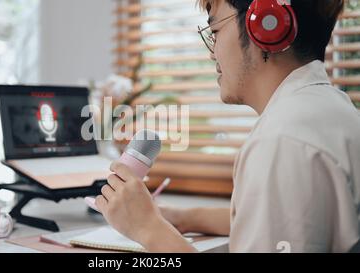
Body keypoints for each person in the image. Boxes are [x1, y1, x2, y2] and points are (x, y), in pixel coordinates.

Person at [95, 0, 360, 253]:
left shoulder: (283, 141)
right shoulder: (331, 109)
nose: (212, 53)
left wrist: (148, 229)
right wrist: (183, 217)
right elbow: (285, 220)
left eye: (216, 31)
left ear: (268, 26)